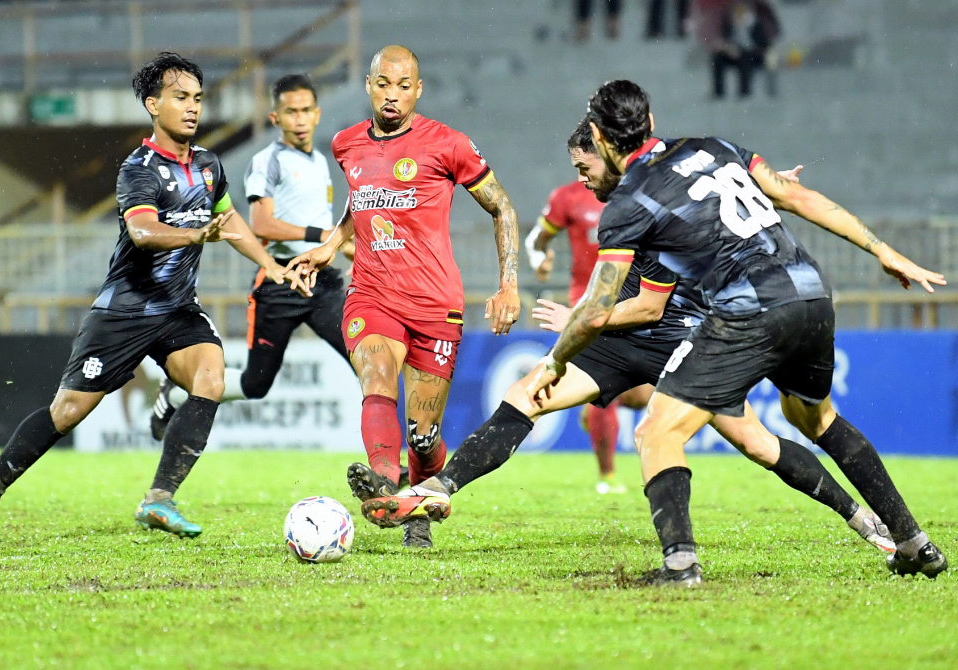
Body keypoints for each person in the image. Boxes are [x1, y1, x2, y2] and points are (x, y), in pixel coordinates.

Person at [356, 118, 896, 560]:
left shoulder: (648, 198)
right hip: (619, 334)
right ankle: (436, 489)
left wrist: (579, 319)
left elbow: (652, 302)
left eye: (586, 167)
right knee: (525, 394)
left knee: (756, 442)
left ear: (608, 154)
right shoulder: (623, 202)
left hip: (679, 336)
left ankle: (862, 518)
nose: (583, 179)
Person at [534, 80, 946, 584]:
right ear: (651, 122)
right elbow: (795, 195)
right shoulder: (713, 147)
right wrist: (881, 249)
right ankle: (912, 542)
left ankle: (680, 564)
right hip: (810, 290)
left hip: (749, 308)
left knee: (656, 432)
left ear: (597, 135)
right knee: (816, 418)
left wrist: (557, 360)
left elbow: (597, 311)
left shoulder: (628, 203)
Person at [0, 52, 285, 542]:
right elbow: (143, 232)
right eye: (181, 98)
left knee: (211, 377)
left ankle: (160, 499)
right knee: (65, 413)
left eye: (197, 98)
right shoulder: (139, 168)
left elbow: (230, 220)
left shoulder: (210, 164)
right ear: (154, 105)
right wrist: (196, 236)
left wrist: (272, 266)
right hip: (125, 311)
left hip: (177, 310)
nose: (193, 107)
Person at [286, 46, 521, 549]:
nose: (393, 94)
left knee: (423, 433)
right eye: (383, 84)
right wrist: (330, 246)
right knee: (375, 372)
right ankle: (384, 486)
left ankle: (417, 510)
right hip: (372, 293)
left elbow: (501, 206)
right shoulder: (346, 144)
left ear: (418, 90)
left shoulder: (448, 144)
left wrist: (509, 284)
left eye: (404, 85)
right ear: (369, 86)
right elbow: (361, 200)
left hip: (436, 304)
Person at [150, 73, 352, 437]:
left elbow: (319, 221)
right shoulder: (267, 161)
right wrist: (325, 236)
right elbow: (262, 224)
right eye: (291, 112)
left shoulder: (320, 161)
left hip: (322, 283)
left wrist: (342, 246)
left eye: (306, 110)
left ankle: (388, 462)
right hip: (279, 283)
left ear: (318, 114)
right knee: (256, 384)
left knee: (368, 362)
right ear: (276, 118)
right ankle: (175, 395)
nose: (300, 119)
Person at [526, 161, 652, 494]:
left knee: (641, 396)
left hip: (631, 304)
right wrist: (540, 259)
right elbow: (536, 241)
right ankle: (607, 476)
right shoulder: (568, 198)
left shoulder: (638, 195)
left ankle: (592, 408)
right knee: (604, 390)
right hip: (585, 306)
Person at [712, 0, 779, 98]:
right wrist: (728, 48)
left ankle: (744, 92)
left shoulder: (755, 25)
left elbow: (763, 44)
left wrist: (746, 48)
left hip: (753, 55)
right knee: (718, 58)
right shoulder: (729, 25)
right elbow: (725, 39)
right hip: (734, 53)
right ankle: (718, 92)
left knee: (745, 58)